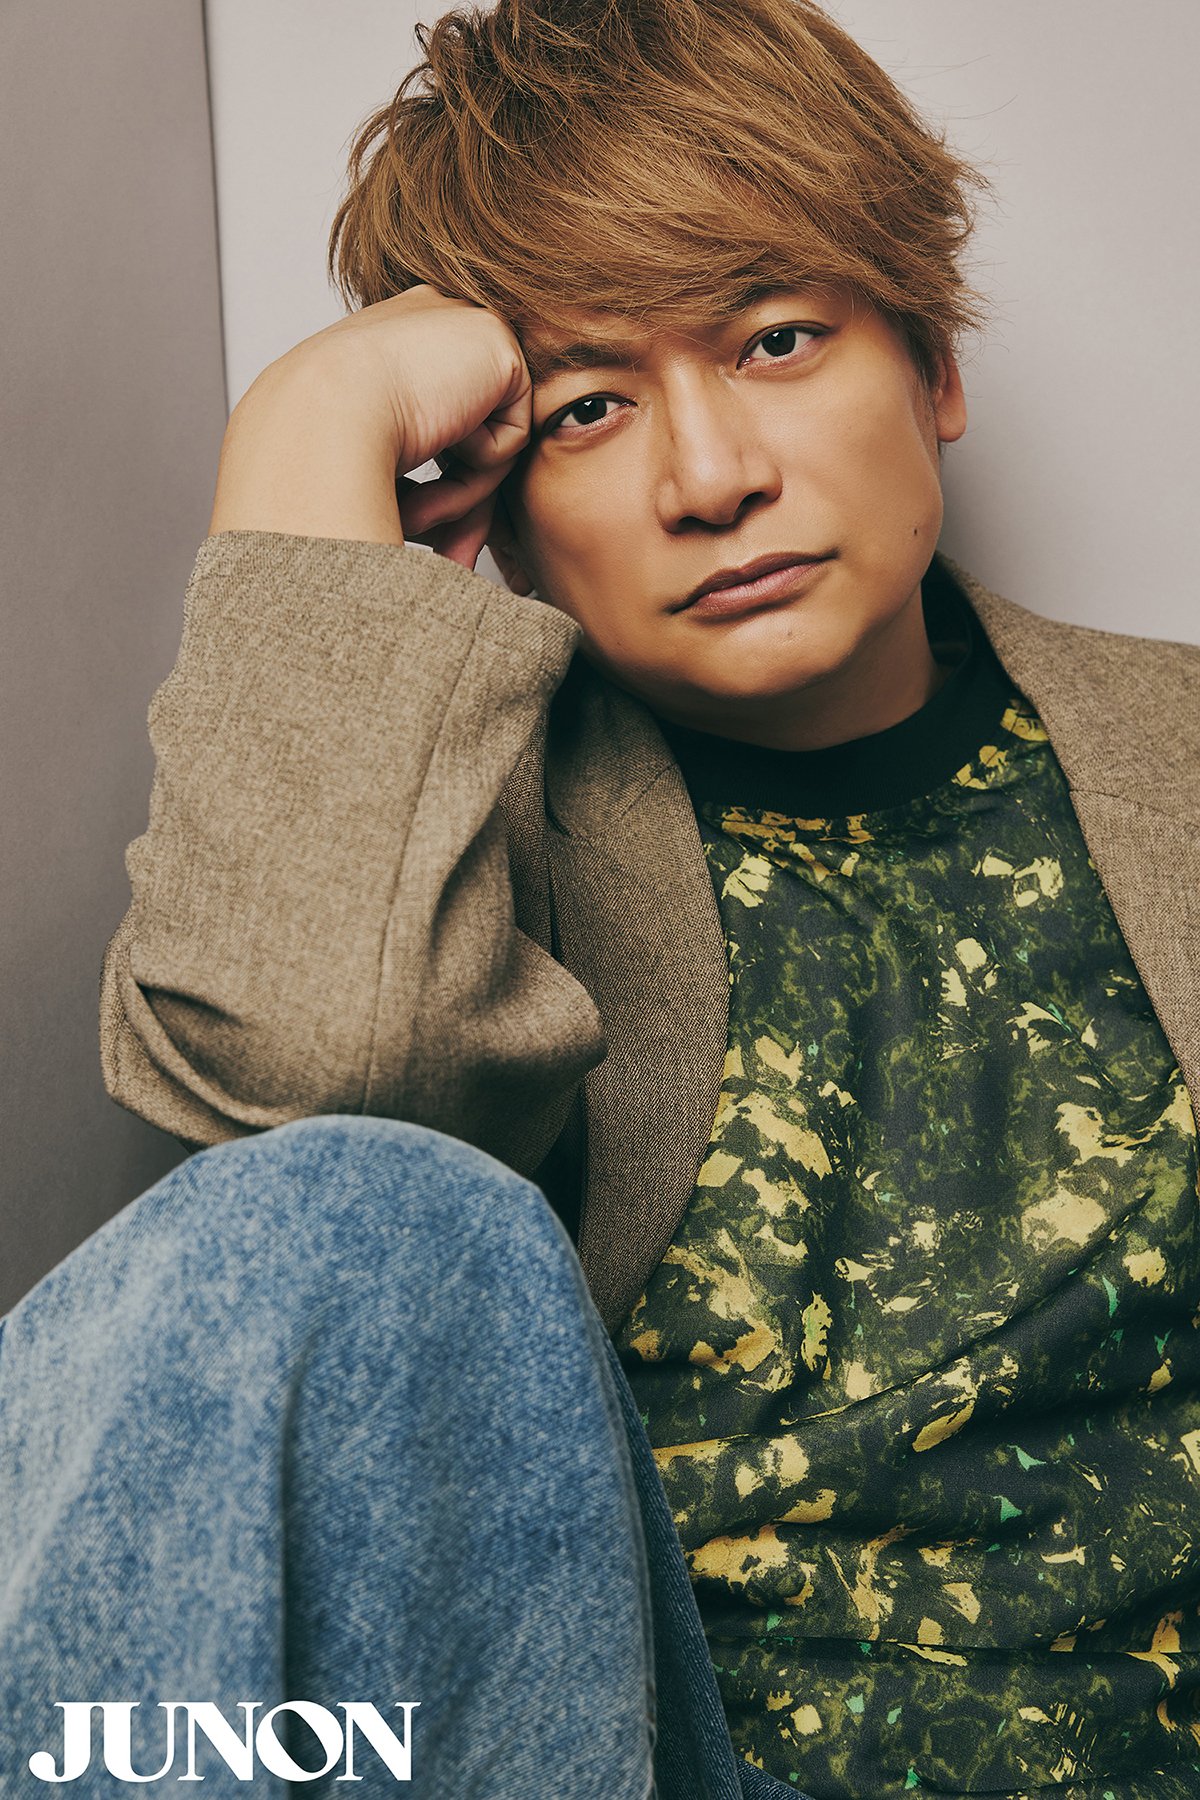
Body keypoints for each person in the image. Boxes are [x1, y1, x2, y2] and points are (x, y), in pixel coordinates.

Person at [2, 0, 1198, 1793]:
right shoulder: (476, 843)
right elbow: (296, 1090)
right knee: (333, 1208)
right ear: (494, 503)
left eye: (778, 339)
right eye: (586, 408)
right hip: (635, 1752)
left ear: (934, 368)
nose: (713, 478)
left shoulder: (1172, 760)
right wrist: (306, 422)